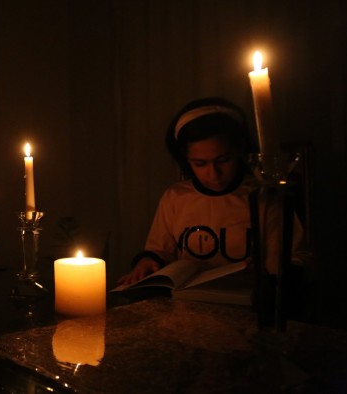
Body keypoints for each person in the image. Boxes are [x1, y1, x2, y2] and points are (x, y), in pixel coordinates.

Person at [117, 97, 312, 297]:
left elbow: (295, 257)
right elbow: (160, 250)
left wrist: (273, 274)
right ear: (186, 160)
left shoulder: (263, 197)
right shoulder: (175, 197)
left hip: (248, 305)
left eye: (223, 160)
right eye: (200, 164)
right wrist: (148, 261)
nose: (213, 174)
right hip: (188, 303)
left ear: (240, 150)